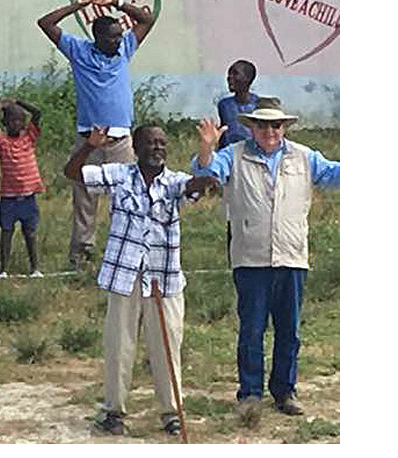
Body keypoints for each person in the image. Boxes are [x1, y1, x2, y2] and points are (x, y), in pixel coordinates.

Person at [193, 97, 340, 426]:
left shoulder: (304, 157)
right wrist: (206, 146)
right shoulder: (234, 155)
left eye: (276, 125)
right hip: (251, 257)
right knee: (252, 329)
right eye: (263, 125)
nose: (270, 131)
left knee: (289, 330)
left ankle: (285, 391)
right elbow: (204, 173)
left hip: (291, 255)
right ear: (252, 128)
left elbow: (337, 174)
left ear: (284, 127)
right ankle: (249, 393)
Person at [64, 124, 218, 436]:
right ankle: (114, 412)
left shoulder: (174, 182)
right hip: (125, 276)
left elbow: (198, 184)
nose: (158, 148)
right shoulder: (119, 175)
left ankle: (171, 412)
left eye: (162, 143)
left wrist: (206, 153)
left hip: (164, 279)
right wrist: (89, 146)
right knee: (119, 346)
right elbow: (73, 173)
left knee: (167, 346)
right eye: (151, 143)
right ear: (136, 147)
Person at [37, 0, 155, 269]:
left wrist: (115, 3)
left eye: (119, 34)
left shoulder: (125, 48)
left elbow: (147, 20)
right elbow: (46, 23)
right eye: (112, 37)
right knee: (84, 199)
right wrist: (78, 6)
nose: (118, 40)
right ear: (97, 38)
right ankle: (81, 256)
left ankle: (125, 251)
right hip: (89, 139)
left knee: (125, 197)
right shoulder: (79, 51)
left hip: (120, 140)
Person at [0, 98, 45, 278]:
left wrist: (19, 102)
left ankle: (34, 268)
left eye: (20, 120)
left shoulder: (29, 137)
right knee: (6, 232)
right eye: (12, 120)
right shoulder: (1, 142)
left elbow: (37, 112)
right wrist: (2, 106)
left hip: (28, 196)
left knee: (30, 233)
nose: (16, 124)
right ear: (5, 123)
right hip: (9, 197)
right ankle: (3, 269)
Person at [217, 59, 259, 266]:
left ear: (249, 79)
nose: (230, 79)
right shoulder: (225, 105)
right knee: (232, 209)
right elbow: (224, 133)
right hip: (230, 160)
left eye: (236, 75)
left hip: (253, 159)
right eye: (229, 74)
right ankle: (233, 255)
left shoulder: (258, 105)